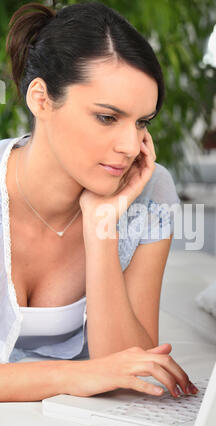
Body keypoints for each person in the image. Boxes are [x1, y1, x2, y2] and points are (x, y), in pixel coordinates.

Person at [0, 2, 199, 402]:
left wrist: (101, 228)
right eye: (108, 117)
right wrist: (76, 376)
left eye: (142, 122)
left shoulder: (150, 191)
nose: (129, 146)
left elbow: (135, 370)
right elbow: (107, 370)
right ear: (40, 99)